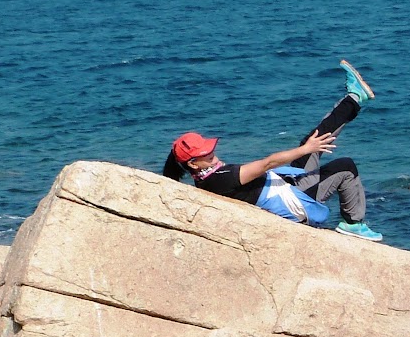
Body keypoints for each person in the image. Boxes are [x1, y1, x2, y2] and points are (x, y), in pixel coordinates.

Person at [163, 60, 383, 241]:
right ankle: (353, 223)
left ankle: (355, 97)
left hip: (286, 183)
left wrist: (307, 148)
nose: (211, 152)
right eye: (205, 153)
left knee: (312, 140)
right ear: (192, 163)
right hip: (296, 200)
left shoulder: (207, 177)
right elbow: (267, 163)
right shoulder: (219, 179)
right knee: (345, 167)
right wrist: (306, 150)